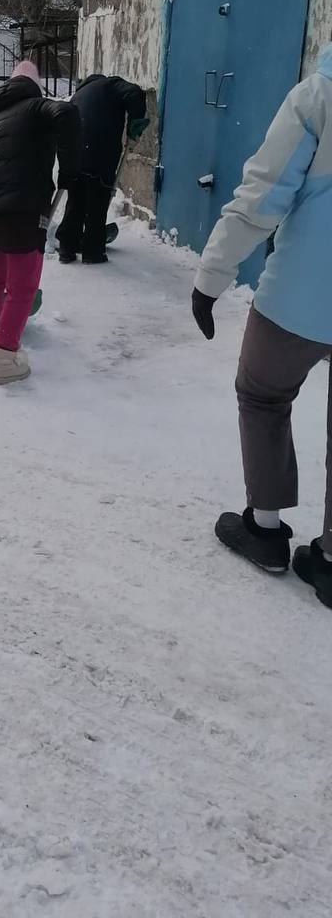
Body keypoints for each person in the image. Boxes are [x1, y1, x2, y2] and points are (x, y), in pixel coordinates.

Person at [192, 43, 332, 605]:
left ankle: (265, 528)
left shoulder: (318, 98)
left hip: (301, 295)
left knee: (263, 394)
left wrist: (211, 277)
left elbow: (262, 197)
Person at [0, 60, 80, 384]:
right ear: (34, 86)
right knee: (23, 285)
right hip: (22, 207)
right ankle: (4, 358)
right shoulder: (37, 107)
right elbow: (68, 113)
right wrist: (70, 169)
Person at [57, 73, 149, 264]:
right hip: (101, 149)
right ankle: (93, 252)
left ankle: (67, 248)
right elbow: (134, 92)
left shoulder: (79, 94)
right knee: (97, 200)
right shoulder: (111, 84)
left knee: (75, 201)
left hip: (75, 150)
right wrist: (135, 122)